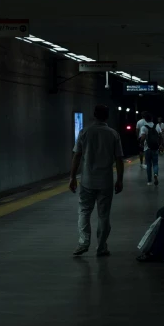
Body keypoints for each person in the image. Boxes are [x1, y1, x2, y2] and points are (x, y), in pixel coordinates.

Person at [69, 104, 124, 257]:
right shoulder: (113, 134)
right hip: (105, 181)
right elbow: (119, 159)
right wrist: (120, 180)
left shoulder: (84, 132)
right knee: (104, 215)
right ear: (107, 116)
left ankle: (83, 242)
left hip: (87, 180)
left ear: (94, 115)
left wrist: (72, 177)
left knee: (84, 211)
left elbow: (77, 156)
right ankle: (101, 247)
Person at [139, 112, 161, 186]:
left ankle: (149, 181)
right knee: (155, 163)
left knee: (148, 165)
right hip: (155, 148)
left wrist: (141, 144)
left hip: (147, 148)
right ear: (152, 119)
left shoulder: (144, 127)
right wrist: (161, 145)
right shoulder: (157, 126)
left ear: (145, 119)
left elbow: (142, 138)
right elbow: (161, 136)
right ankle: (155, 174)